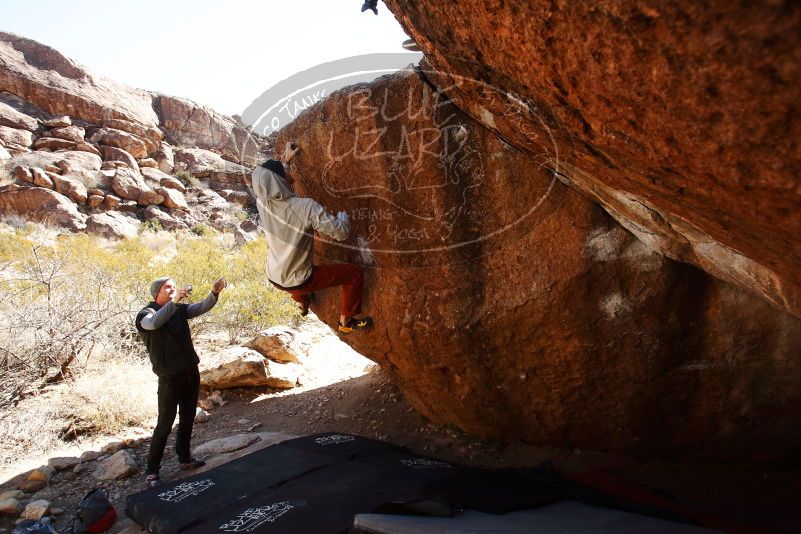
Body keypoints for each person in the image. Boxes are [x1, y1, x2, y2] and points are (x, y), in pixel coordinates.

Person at [251, 143, 372, 335]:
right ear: (279, 178)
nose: (285, 171)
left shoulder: (262, 203)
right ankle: (346, 321)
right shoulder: (304, 207)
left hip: (273, 276)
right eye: (282, 171)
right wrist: (343, 217)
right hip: (298, 280)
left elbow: (271, 183)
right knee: (355, 274)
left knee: (292, 279)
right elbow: (340, 233)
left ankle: (302, 303)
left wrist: (286, 162)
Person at [135, 276, 227, 487]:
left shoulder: (178, 309)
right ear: (156, 291)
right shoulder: (145, 314)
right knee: (165, 424)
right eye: (168, 287)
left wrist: (214, 292)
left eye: (174, 288)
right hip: (169, 376)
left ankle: (185, 459)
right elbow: (154, 323)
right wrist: (175, 301)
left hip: (190, 372)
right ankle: (152, 471)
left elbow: (202, 307)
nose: (172, 290)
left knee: (187, 418)